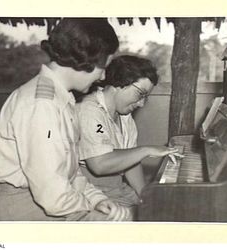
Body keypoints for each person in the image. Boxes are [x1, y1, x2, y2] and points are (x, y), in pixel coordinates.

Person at [0, 18, 131, 221]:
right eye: (102, 67)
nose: (103, 76)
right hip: (24, 210)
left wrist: (96, 198)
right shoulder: (42, 105)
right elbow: (52, 193)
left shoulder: (60, 98)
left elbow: (67, 171)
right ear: (85, 60)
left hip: (46, 200)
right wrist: (92, 210)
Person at [77, 55, 183, 217]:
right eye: (140, 94)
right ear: (120, 83)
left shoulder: (124, 116)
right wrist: (146, 150)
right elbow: (99, 164)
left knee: (166, 210)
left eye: (145, 97)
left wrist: (145, 196)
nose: (141, 103)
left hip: (118, 190)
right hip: (93, 194)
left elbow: (130, 162)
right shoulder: (89, 111)